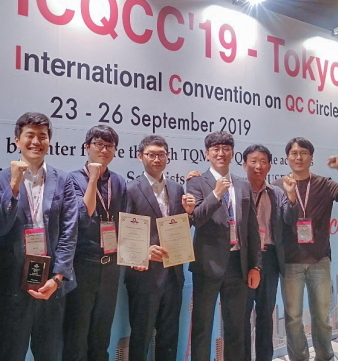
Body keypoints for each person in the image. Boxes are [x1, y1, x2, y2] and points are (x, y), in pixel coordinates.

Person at [0, 112, 77, 361]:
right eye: (30, 135)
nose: (36, 141)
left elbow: (69, 231)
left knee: (48, 353)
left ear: (49, 141)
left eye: (42, 136)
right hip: (13, 283)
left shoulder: (64, 180)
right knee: (10, 353)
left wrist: (58, 278)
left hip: (51, 281)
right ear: (17, 140)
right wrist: (14, 186)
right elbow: (0, 226)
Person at [274, 137, 338, 361]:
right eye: (294, 153)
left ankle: (324, 357)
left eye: (303, 153)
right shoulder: (278, 186)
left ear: (311, 157)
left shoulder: (324, 184)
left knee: (322, 318)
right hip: (290, 262)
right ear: (287, 158)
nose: (298, 157)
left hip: (319, 260)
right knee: (293, 318)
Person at [186, 131, 261, 361]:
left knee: (236, 327)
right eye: (216, 149)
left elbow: (252, 228)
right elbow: (196, 219)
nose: (221, 153)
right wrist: (216, 193)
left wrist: (255, 266)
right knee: (202, 327)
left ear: (232, 153)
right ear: (207, 153)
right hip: (207, 265)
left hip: (238, 265)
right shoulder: (196, 182)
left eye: (226, 148)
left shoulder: (243, 184)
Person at [125, 135, 195, 361]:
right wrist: (144, 251)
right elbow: (124, 232)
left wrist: (188, 214)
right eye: (151, 155)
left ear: (167, 157)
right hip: (144, 275)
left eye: (161, 154)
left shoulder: (177, 188)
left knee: (169, 335)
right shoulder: (131, 189)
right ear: (140, 157)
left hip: (173, 274)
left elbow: (179, 228)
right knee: (141, 335)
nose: (157, 159)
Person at [63, 125, 127, 361]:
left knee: (101, 334)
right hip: (82, 265)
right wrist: (92, 178)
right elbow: (83, 215)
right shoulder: (72, 179)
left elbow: (124, 221)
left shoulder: (118, 182)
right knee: (76, 333)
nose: (104, 150)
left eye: (109, 146)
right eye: (99, 144)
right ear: (86, 147)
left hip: (110, 266)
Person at [241, 144, 297, 361]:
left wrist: (291, 196)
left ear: (270, 166)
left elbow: (289, 220)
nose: (258, 166)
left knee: (265, 314)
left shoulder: (277, 192)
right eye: (253, 161)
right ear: (244, 164)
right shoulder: (237, 190)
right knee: (241, 316)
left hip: (269, 259)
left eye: (263, 162)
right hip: (243, 259)